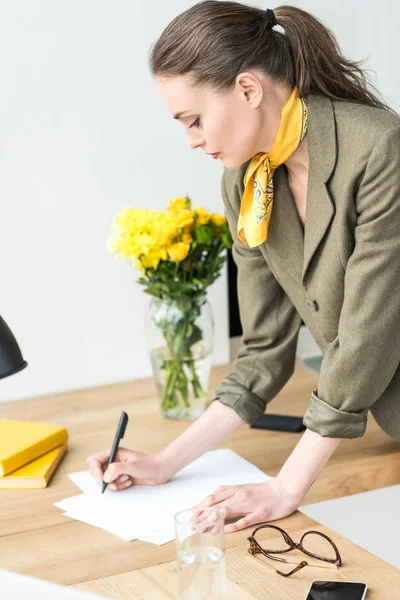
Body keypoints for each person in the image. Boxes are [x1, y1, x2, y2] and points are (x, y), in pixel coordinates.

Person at [87, 2, 400, 533]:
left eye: (194, 119)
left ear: (249, 90)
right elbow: (262, 352)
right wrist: (166, 463)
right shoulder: (247, 184)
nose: (191, 139)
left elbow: (368, 333)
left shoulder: (379, 146)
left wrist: (287, 486)